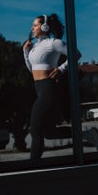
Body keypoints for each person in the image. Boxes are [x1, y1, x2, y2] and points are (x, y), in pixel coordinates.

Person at [23, 13, 72, 160]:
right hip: (39, 88)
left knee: (35, 130)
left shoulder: (53, 43)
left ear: (44, 27)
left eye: (35, 25)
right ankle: (86, 134)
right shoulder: (35, 47)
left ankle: (34, 167)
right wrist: (25, 53)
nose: (32, 28)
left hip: (49, 88)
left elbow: (76, 54)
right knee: (48, 133)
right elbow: (32, 69)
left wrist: (61, 69)